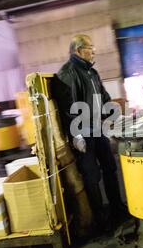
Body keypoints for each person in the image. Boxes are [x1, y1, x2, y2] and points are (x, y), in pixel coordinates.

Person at [53, 34, 128, 233]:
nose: (94, 51)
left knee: (110, 168)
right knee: (91, 176)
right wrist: (76, 136)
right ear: (78, 51)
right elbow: (68, 108)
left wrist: (114, 115)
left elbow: (104, 98)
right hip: (83, 134)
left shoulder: (91, 73)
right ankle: (100, 220)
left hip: (97, 129)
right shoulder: (69, 74)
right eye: (90, 47)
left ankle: (117, 208)